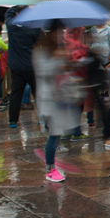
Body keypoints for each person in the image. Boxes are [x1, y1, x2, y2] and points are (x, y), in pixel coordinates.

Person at [33, 21, 82, 183]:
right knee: (54, 134)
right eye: (58, 33)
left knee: (57, 133)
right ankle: (50, 169)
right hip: (48, 99)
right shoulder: (41, 52)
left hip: (59, 97)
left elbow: (64, 70)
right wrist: (56, 60)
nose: (61, 36)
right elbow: (44, 72)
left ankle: (51, 163)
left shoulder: (58, 51)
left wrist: (67, 62)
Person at [5, 5, 42, 128]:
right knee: (37, 93)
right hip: (31, 65)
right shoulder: (33, 28)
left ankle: (13, 120)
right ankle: (42, 118)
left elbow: (8, 14)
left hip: (16, 66)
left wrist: (16, 7)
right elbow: (39, 41)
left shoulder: (12, 27)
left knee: (16, 93)